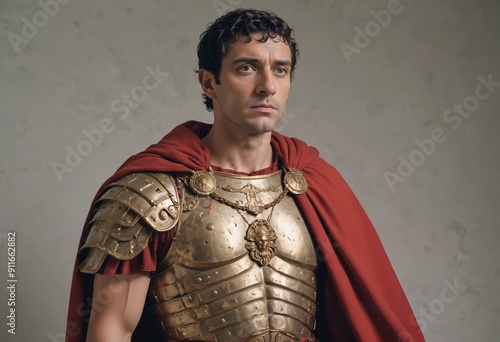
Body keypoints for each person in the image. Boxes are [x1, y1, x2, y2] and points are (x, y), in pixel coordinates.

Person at [66, 8, 425, 342]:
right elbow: (112, 327)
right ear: (209, 83)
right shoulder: (151, 193)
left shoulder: (314, 188)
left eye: (280, 70)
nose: (267, 85)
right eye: (246, 68)